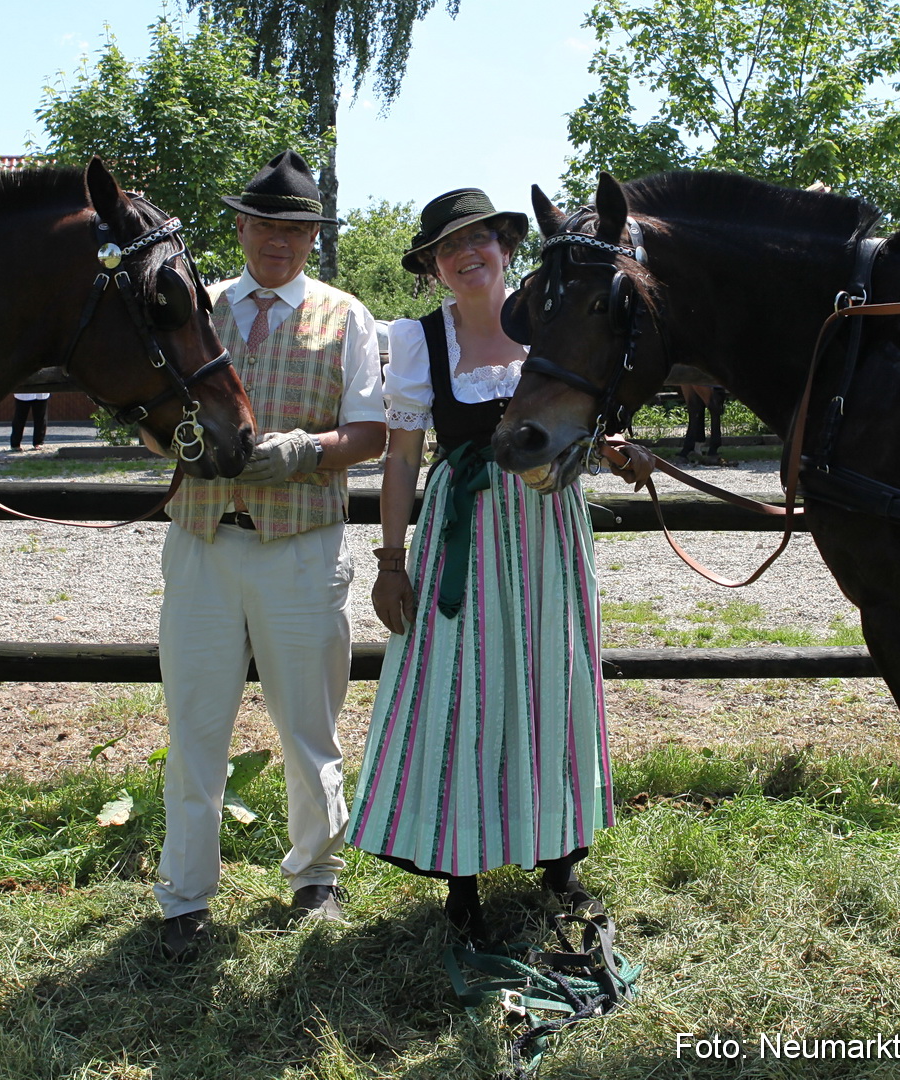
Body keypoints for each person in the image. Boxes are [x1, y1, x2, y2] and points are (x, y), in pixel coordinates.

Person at [345, 189, 613, 942]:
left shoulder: (552, 319)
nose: (468, 256)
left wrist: (610, 450)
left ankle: (559, 854)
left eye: (481, 241)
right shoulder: (419, 342)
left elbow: (583, 416)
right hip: (462, 533)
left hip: (549, 532)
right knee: (459, 693)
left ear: (506, 247)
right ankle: (461, 875)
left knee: (550, 680)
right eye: (448, 248)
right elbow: (401, 461)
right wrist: (391, 561)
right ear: (433, 267)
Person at [150, 150, 386, 959]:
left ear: (313, 236)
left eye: (294, 228)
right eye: (264, 224)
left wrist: (302, 450)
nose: (277, 240)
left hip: (301, 548)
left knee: (309, 727)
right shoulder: (199, 306)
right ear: (241, 226)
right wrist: (180, 439)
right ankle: (185, 894)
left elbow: (372, 432)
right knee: (195, 726)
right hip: (204, 542)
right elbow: (151, 412)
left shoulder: (345, 315)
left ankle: (315, 873)